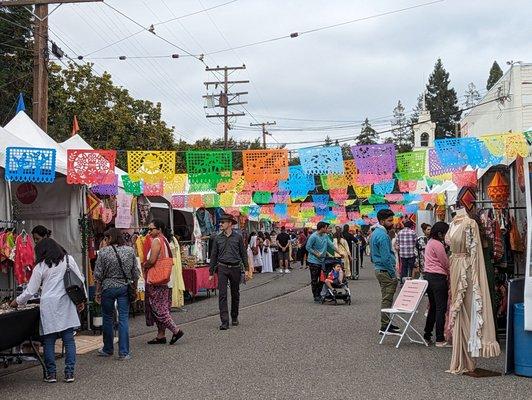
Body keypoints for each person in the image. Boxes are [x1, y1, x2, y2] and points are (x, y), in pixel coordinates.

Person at [10, 238, 84, 383]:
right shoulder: (68, 260)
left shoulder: (41, 267)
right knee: (68, 340)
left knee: (48, 341)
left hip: (48, 305)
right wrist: (82, 299)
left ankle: (51, 374)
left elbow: (30, 291)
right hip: (66, 303)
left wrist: (17, 302)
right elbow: (79, 280)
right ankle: (69, 373)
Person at [94, 228, 139, 360]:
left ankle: (108, 348)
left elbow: (98, 275)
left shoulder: (103, 252)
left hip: (107, 287)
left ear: (109, 238)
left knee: (107, 317)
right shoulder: (129, 250)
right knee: (123, 318)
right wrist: (134, 289)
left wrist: (97, 292)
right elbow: (135, 273)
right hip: (124, 287)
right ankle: (124, 352)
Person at [142, 219, 184, 345]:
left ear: (159, 229)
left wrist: (145, 265)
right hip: (166, 279)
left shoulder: (156, 240)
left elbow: (152, 260)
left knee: (159, 309)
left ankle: (176, 331)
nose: (148, 231)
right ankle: (161, 335)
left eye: (151, 229)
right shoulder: (165, 239)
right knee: (163, 307)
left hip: (157, 280)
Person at [209, 213, 249, 330]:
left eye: (223, 222)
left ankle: (234, 316)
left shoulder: (238, 237)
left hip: (235, 267)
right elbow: (214, 255)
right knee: (222, 294)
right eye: (220, 222)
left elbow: (243, 254)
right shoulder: (217, 238)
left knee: (235, 293)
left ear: (230, 223)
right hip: (222, 267)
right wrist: (211, 272)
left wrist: (246, 269)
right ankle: (224, 321)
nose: (221, 224)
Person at [370, 209, 400, 335]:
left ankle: (386, 322)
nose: (392, 223)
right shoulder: (383, 236)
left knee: (386, 297)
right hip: (385, 270)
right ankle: (384, 326)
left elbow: (372, 256)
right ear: (382, 221)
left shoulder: (375, 234)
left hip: (379, 269)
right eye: (389, 220)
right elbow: (386, 257)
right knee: (387, 298)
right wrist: (393, 274)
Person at [423, 222, 451, 347]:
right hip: (438, 277)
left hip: (429, 276)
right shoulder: (438, 244)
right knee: (441, 308)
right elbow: (444, 261)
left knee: (433, 307)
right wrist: (450, 271)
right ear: (440, 233)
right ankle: (439, 338)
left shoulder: (430, 242)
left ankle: (427, 334)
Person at [306, 221, 336, 302]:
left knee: (323, 279)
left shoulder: (325, 235)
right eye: (326, 227)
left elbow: (331, 245)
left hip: (322, 260)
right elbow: (308, 247)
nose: (327, 229)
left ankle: (319, 294)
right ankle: (316, 296)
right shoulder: (313, 236)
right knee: (315, 279)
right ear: (322, 228)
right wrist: (316, 253)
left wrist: (339, 252)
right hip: (313, 261)